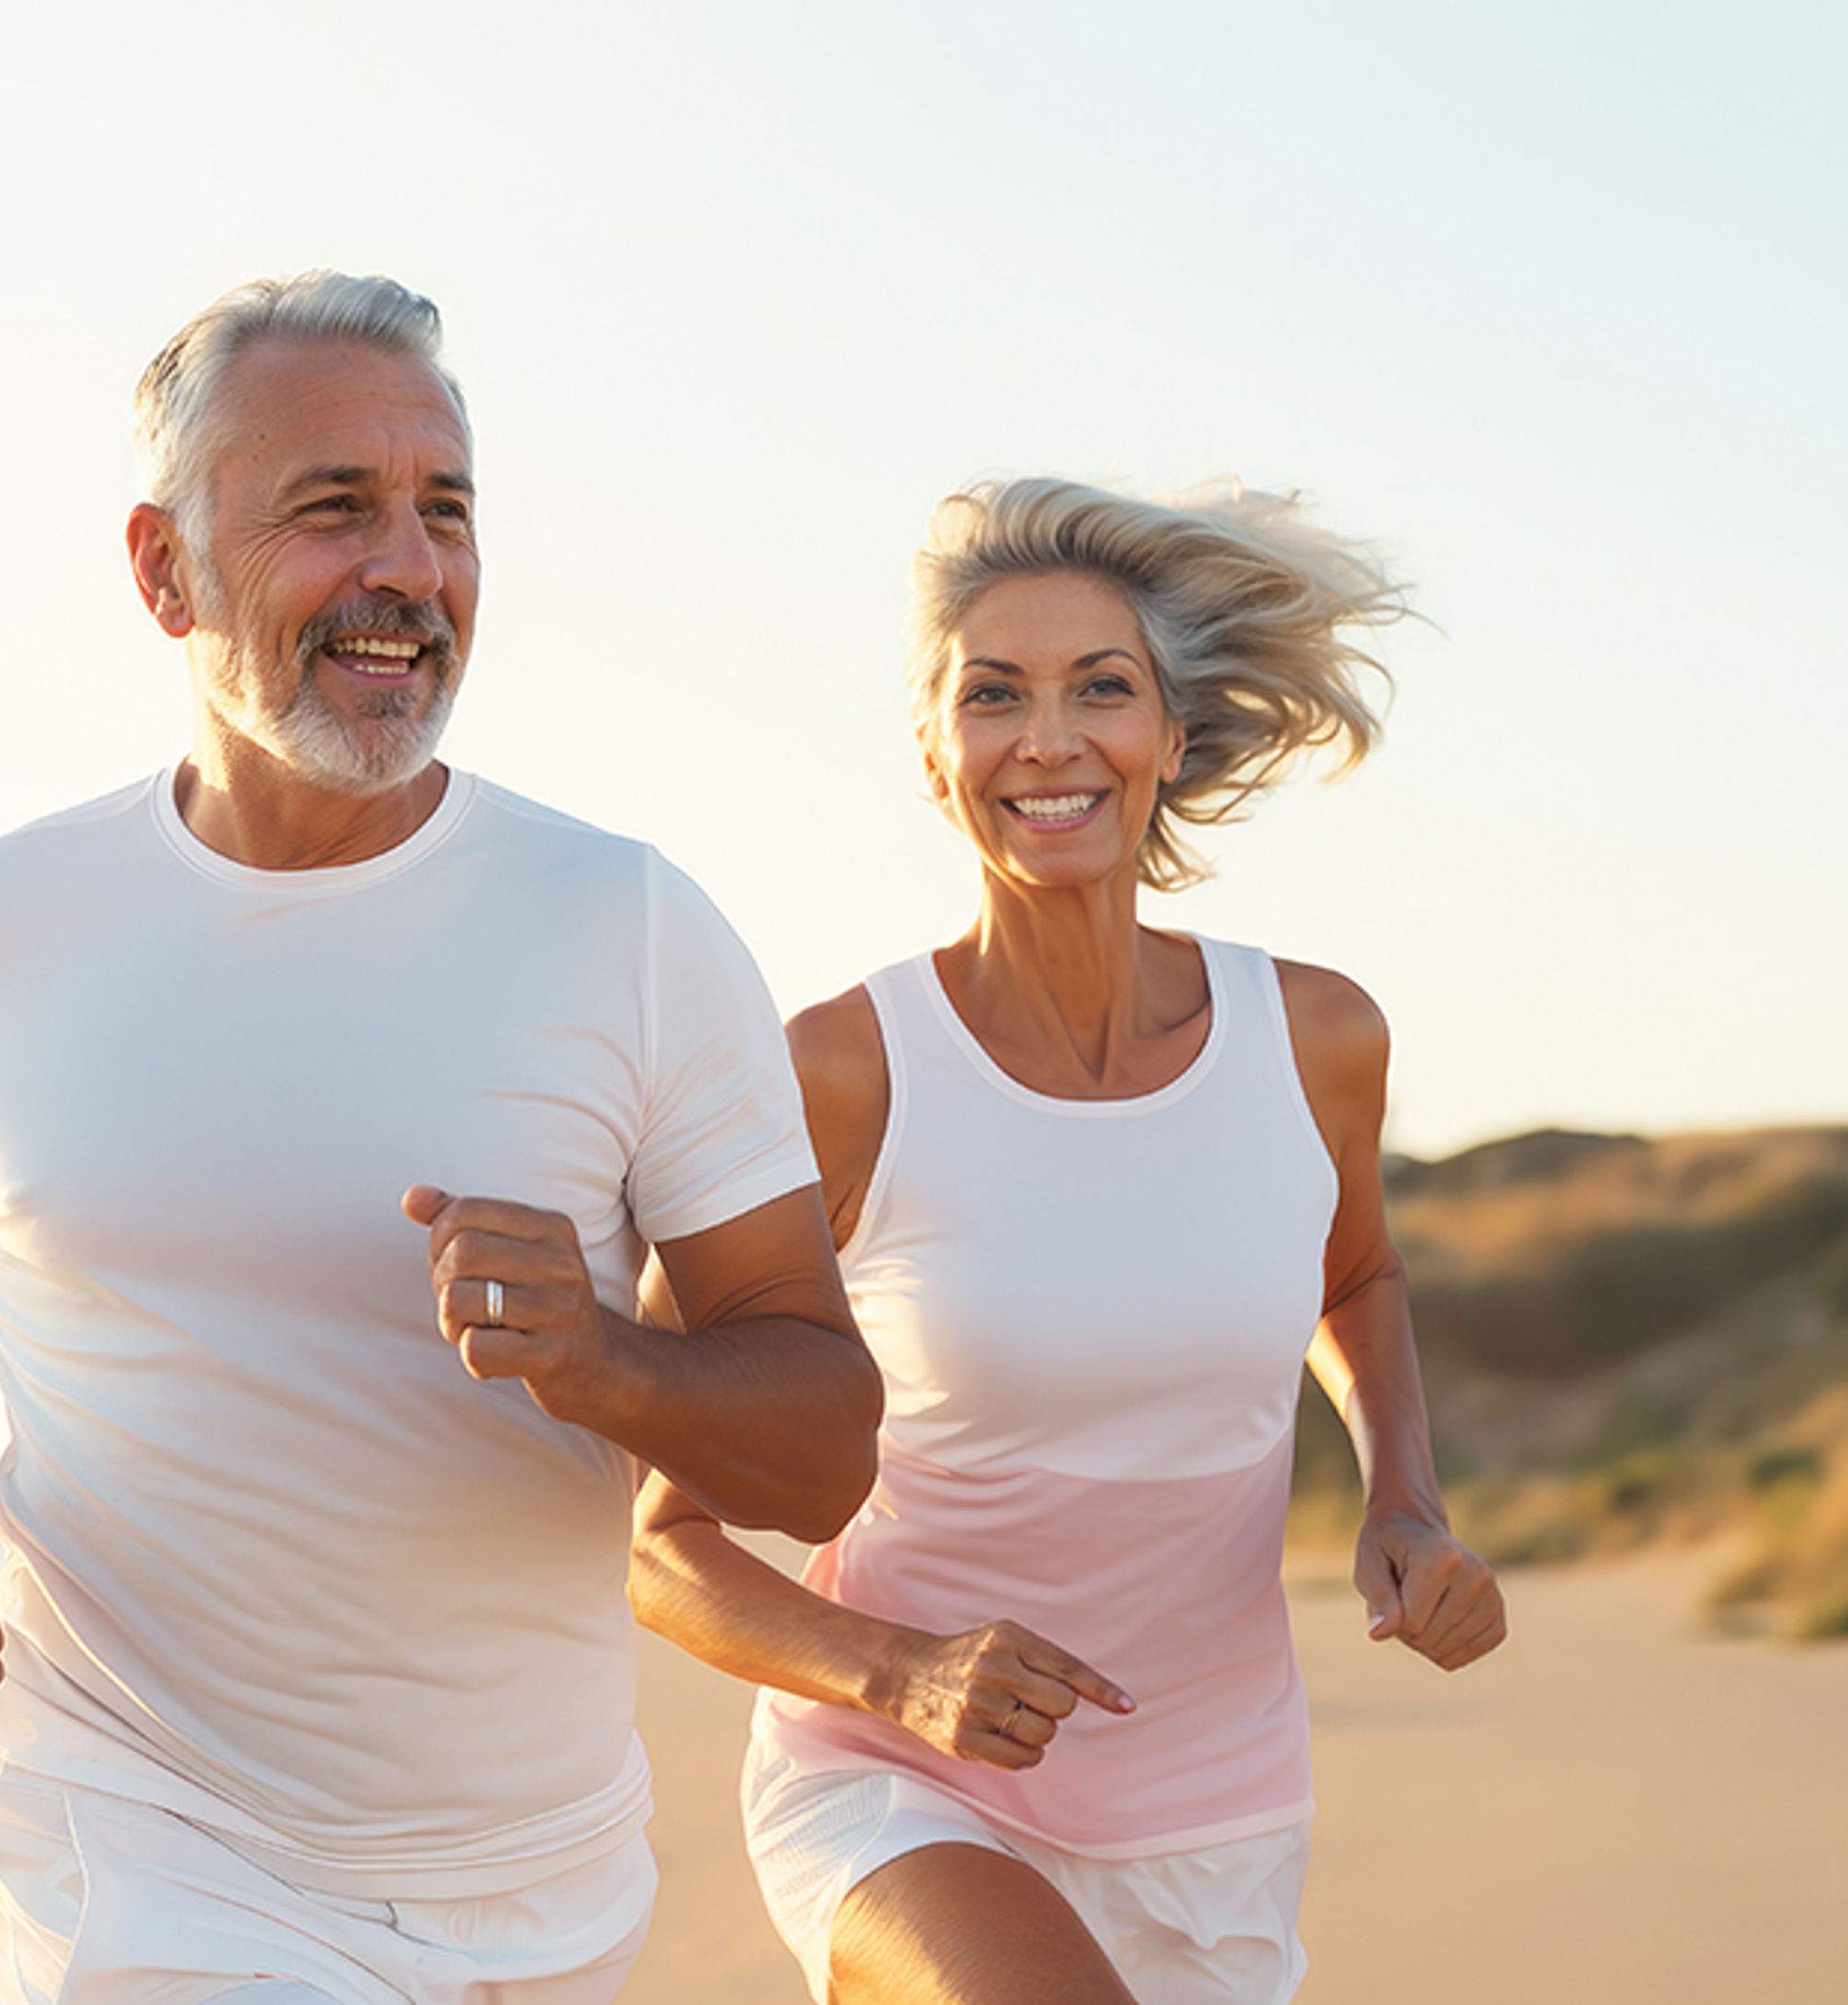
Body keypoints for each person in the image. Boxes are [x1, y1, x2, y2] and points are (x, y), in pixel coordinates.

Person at [0, 270, 882, 2005]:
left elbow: (824, 1445)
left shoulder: (629, 928)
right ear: (163, 568)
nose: (407, 569)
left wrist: (609, 1361)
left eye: (446, 511)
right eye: (333, 508)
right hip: (129, 1823)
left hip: (542, 1877)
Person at [630, 478, 1507, 2005]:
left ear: (1169, 737)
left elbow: (1352, 1274)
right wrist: (899, 1671)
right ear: (933, 753)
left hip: (1220, 1807)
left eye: (1100, 687)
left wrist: (1406, 1501)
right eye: (994, 695)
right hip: (903, 1781)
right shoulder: (842, 1073)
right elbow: (663, 1546)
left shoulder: (1315, 1038)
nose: (1047, 737)